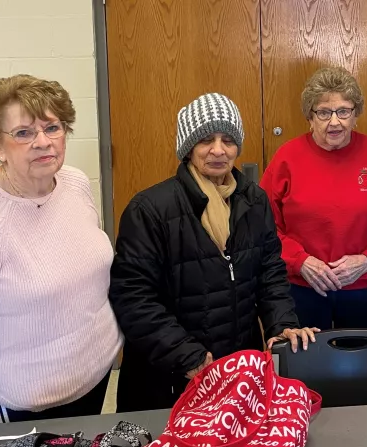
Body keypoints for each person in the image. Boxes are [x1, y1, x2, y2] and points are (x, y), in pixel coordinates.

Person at [109, 93, 318, 413]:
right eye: (206, 139)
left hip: (237, 369)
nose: (219, 150)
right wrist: (186, 355)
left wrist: (281, 324)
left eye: (228, 140)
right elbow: (133, 297)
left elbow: (270, 272)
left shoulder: (254, 200)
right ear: (188, 146)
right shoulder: (150, 209)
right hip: (169, 376)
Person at [0, 74, 122, 423]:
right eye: (23, 133)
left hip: (95, 376)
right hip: (24, 399)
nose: (43, 142)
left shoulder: (75, 182)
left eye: (53, 128)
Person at [261, 67, 367, 330]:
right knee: (305, 367)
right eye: (323, 112)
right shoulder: (287, 158)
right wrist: (301, 262)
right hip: (302, 285)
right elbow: (264, 226)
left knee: (360, 364)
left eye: (343, 111)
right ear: (310, 117)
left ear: (356, 114)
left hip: (363, 285)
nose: (334, 122)